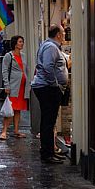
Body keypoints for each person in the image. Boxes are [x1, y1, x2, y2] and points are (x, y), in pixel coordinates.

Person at [31, 24, 69, 164]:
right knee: (48, 122)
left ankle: (49, 152)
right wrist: (56, 85)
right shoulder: (51, 47)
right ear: (58, 35)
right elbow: (47, 67)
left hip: (47, 87)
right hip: (48, 88)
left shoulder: (49, 46)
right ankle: (47, 154)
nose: (64, 35)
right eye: (63, 33)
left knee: (49, 121)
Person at [0, 35, 30, 140]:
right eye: (20, 41)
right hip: (14, 86)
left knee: (18, 109)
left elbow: (26, 69)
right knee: (10, 108)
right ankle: (4, 131)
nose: (22, 43)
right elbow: (4, 70)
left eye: (22, 41)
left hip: (23, 87)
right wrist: (6, 85)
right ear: (15, 44)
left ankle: (16, 130)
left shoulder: (23, 56)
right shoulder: (9, 56)